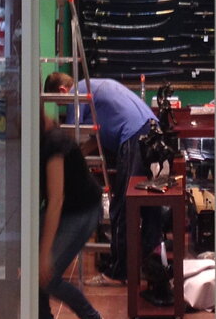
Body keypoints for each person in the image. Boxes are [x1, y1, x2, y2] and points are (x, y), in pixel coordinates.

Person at [43, 72, 162, 285]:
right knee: (148, 205)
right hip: (151, 129)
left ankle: (119, 273)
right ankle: (148, 266)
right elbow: (89, 142)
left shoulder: (77, 93)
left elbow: (68, 138)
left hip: (133, 135)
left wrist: (53, 155)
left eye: (60, 102)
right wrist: (79, 155)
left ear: (62, 91)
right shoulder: (93, 86)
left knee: (122, 206)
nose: (63, 106)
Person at [38, 108, 105, 319]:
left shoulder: (55, 144)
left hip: (83, 210)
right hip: (68, 208)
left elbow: (56, 200)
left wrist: (45, 254)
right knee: (35, 268)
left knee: (48, 275)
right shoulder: (41, 138)